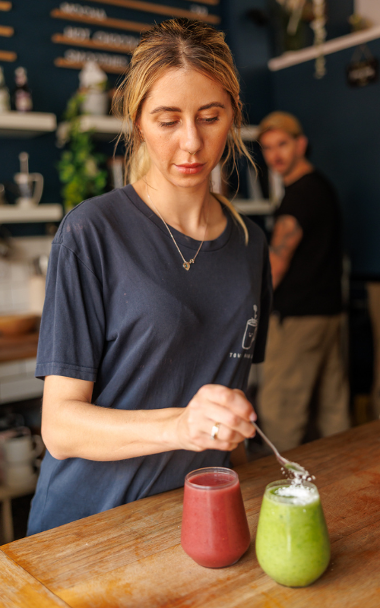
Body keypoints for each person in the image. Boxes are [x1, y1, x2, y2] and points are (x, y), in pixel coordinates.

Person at [27, 18, 272, 535]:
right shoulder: (91, 232)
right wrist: (181, 425)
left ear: (233, 116)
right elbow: (61, 427)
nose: (191, 143)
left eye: (210, 116)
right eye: (167, 120)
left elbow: (230, 417)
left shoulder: (250, 245)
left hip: (193, 524)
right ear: (137, 121)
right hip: (86, 529)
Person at [255, 111, 350, 453]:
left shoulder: (299, 196)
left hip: (298, 320)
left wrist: (251, 307)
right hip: (329, 315)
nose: (275, 155)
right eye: (267, 147)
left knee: (279, 412)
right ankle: (353, 494)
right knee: (333, 411)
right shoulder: (322, 187)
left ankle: (285, 496)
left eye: (282, 144)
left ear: (301, 144)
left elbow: (276, 263)